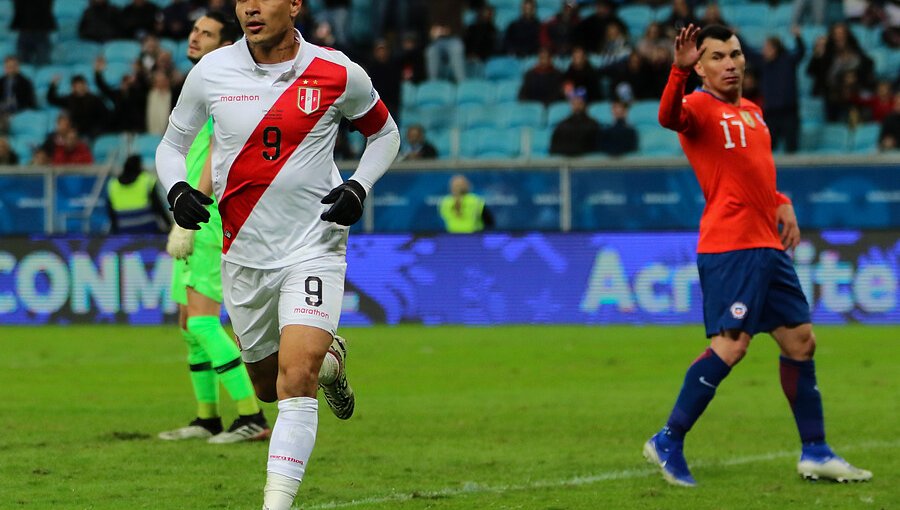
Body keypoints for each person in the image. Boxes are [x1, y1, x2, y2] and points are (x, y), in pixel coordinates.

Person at [155, 1, 400, 508]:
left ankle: (275, 503)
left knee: (295, 379)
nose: (249, 6)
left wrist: (359, 186)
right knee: (267, 385)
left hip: (314, 245)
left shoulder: (336, 71)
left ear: (294, 5)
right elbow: (171, 144)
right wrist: (176, 188)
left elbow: (385, 133)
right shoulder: (211, 71)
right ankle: (332, 362)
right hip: (244, 254)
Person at [644, 24, 872, 487]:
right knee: (732, 346)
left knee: (801, 340)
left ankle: (815, 451)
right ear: (701, 67)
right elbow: (668, 117)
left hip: (766, 243)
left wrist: (780, 198)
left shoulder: (754, 112)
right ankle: (668, 439)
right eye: (716, 58)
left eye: (734, 54)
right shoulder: (697, 108)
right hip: (732, 246)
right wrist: (677, 72)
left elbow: (752, 173)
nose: (729, 63)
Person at [157, 12, 272, 445]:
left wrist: (195, 209)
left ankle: (251, 416)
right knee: (189, 323)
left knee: (204, 322)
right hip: (190, 215)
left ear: (225, 44)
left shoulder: (223, 84)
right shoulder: (202, 82)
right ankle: (207, 418)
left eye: (206, 32)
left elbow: (217, 151)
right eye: (193, 29)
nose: (194, 36)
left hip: (205, 218)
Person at [106, 154, 170, 233]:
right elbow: (158, 206)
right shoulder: (147, 180)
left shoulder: (113, 184)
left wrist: (115, 232)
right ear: (139, 165)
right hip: (147, 229)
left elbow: (110, 212)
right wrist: (169, 225)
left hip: (124, 229)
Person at [549, 89, 601, 156]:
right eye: (574, 103)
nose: (577, 106)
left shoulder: (593, 124)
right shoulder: (563, 124)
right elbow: (553, 148)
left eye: (579, 103)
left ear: (585, 104)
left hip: (587, 161)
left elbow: (595, 147)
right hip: (565, 161)